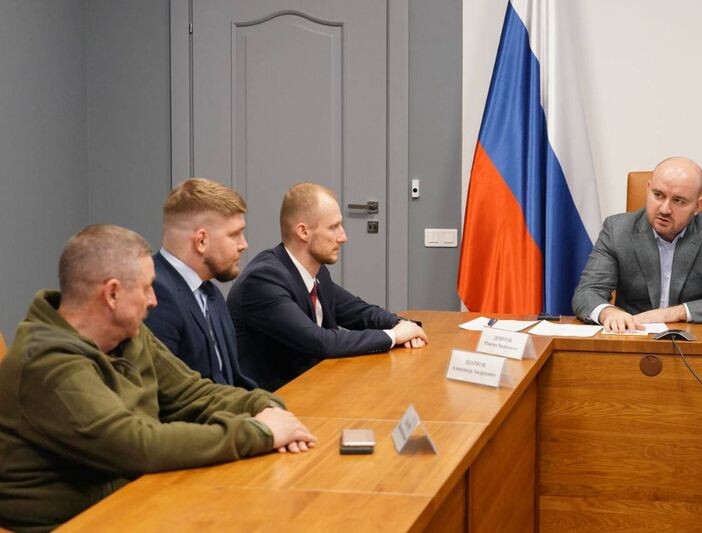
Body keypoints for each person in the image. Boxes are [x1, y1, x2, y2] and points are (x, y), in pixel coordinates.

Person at [0, 225, 316, 531]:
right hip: (72, 522)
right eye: (146, 287)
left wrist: (264, 406)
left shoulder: (130, 334)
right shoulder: (46, 362)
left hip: (135, 499)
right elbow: (135, 445)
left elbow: (194, 393)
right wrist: (259, 432)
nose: (153, 300)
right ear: (112, 294)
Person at [228, 182, 428, 390]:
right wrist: (394, 336)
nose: (343, 237)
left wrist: (404, 325)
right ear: (303, 232)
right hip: (273, 399)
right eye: (333, 227)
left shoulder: (316, 271)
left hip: (312, 387)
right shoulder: (263, 280)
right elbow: (319, 341)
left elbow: (358, 312)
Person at [572, 156, 702, 332]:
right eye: (658, 195)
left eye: (679, 201)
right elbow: (586, 293)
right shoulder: (617, 230)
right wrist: (608, 312)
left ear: (697, 206)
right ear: (648, 189)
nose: (665, 209)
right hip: (633, 340)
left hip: (695, 345)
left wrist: (678, 312)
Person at [144, 178, 256, 388]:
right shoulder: (154, 294)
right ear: (201, 240)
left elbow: (233, 380)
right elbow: (166, 394)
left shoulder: (210, 292)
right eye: (235, 234)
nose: (244, 244)